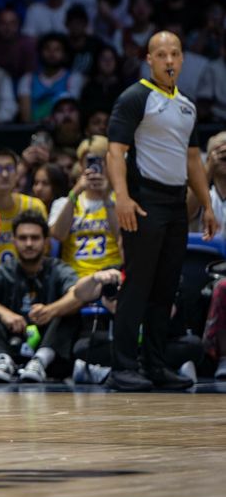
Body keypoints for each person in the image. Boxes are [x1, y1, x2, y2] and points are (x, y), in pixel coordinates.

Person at [105, 30, 218, 391]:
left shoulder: (187, 105)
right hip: (144, 201)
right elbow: (114, 151)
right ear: (149, 60)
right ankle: (122, 367)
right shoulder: (135, 97)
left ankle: (154, 365)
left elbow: (192, 160)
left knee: (165, 289)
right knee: (137, 285)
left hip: (175, 205)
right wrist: (122, 197)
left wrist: (207, 204)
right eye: (161, 55)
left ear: (182, 60)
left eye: (175, 54)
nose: (169, 61)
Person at [0, 211, 98, 383]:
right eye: (23, 238)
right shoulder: (5, 269)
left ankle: (40, 360)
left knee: (69, 309)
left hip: (50, 347)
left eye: (35, 238)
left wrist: (51, 310)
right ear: (14, 241)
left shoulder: (58, 268)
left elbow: (79, 295)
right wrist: (4, 313)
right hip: (10, 341)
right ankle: (1, 361)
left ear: (46, 242)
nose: (28, 244)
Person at [50, 136, 122, 276]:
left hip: (111, 272)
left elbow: (121, 236)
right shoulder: (64, 202)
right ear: (81, 165)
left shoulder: (120, 201)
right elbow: (58, 235)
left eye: (101, 162)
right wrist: (75, 194)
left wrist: (106, 198)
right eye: (89, 162)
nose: (95, 168)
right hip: (74, 277)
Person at [0, 148, 48, 268]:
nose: (5, 174)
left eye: (9, 168)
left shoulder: (34, 206)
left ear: (17, 174)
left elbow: (45, 250)